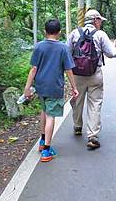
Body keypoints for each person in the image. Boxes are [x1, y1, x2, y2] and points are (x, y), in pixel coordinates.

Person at [23, 19, 79, 162]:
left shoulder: (39, 47)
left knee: (44, 111)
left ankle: (42, 141)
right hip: (54, 87)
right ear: (59, 32)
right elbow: (68, 69)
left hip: (40, 86)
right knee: (50, 116)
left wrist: (27, 87)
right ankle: (47, 150)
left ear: (45, 31)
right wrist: (74, 87)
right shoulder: (62, 48)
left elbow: (33, 69)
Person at [66, 9, 116, 150]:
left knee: (77, 100)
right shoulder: (100, 35)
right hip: (95, 74)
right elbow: (113, 53)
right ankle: (93, 136)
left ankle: (77, 126)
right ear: (95, 20)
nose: (100, 23)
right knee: (95, 104)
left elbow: (66, 52)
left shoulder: (75, 33)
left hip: (77, 74)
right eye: (100, 20)